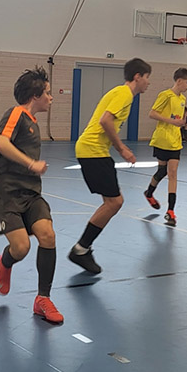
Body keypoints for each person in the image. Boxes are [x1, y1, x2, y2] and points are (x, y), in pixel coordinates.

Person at [0, 67, 63, 324]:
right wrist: (31, 164)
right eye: (48, 93)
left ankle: (43, 299)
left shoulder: (33, 123)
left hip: (31, 194)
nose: (51, 97)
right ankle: (6, 261)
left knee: (48, 235)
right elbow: (1, 142)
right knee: (21, 247)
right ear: (35, 95)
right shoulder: (16, 114)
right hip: (5, 194)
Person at [69, 58, 152, 274]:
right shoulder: (124, 94)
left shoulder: (122, 93)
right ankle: (81, 249)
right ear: (137, 77)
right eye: (147, 78)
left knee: (112, 202)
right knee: (115, 202)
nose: (148, 82)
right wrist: (122, 148)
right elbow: (105, 121)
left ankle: (82, 248)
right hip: (93, 150)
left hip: (94, 151)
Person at [144, 68, 187, 226]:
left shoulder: (182, 99)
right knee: (162, 171)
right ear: (179, 81)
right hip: (162, 139)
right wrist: (172, 121)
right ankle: (149, 193)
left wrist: (181, 123)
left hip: (175, 141)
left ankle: (170, 211)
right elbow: (152, 113)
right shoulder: (165, 95)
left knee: (172, 173)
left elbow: (177, 119)